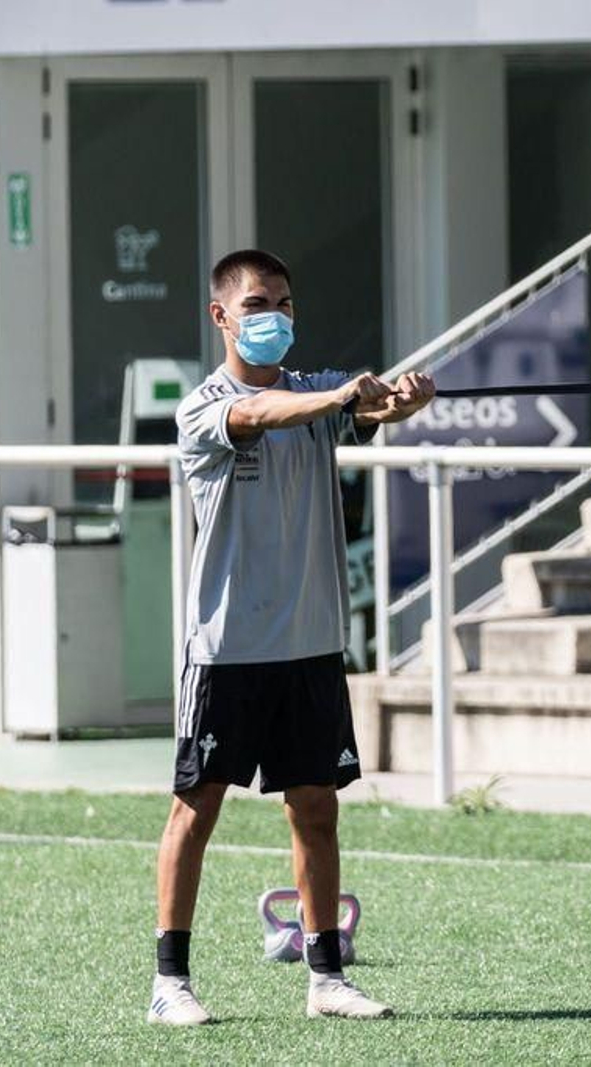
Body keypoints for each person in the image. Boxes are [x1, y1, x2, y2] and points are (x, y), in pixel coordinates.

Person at [148, 249, 435, 1025]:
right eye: (254, 304)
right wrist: (344, 395)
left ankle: (326, 975)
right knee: (195, 807)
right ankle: (169, 979)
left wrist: (402, 400)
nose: (271, 315)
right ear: (221, 316)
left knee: (316, 808)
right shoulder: (205, 406)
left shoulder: (314, 389)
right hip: (227, 648)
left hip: (309, 644)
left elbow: (364, 413)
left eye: (281, 301)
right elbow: (262, 414)